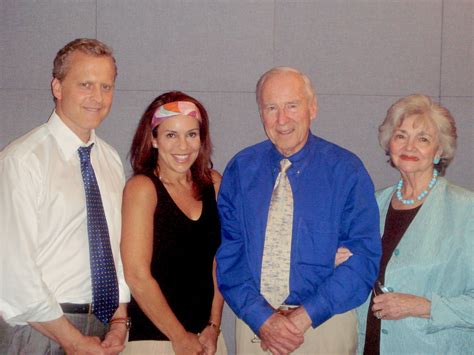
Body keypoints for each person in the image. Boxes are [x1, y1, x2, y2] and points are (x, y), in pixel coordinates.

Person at [216, 66, 381, 355]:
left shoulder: (346, 171)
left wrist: (304, 316)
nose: (282, 120)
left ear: (312, 108)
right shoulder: (241, 170)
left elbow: (364, 260)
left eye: (292, 106)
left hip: (323, 327)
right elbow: (230, 256)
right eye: (271, 107)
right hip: (257, 329)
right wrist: (263, 318)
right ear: (261, 113)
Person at [0, 38, 130, 354]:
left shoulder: (109, 159)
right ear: (57, 87)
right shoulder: (23, 160)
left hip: (100, 329)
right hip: (36, 332)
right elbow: (13, 272)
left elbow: (114, 249)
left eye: (106, 86)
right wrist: (72, 341)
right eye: (86, 84)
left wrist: (119, 320)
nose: (97, 98)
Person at [354, 94, 474, 354]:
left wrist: (422, 306)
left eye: (423, 139)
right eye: (401, 136)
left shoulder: (467, 210)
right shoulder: (372, 205)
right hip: (371, 344)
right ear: (390, 144)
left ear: (439, 151)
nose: (410, 147)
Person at [121, 91, 227, 355]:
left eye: (192, 134)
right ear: (154, 139)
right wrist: (179, 337)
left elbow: (219, 263)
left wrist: (214, 325)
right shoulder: (142, 189)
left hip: (206, 341)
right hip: (154, 340)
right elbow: (136, 275)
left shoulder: (213, 184)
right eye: (171, 135)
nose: (184, 146)